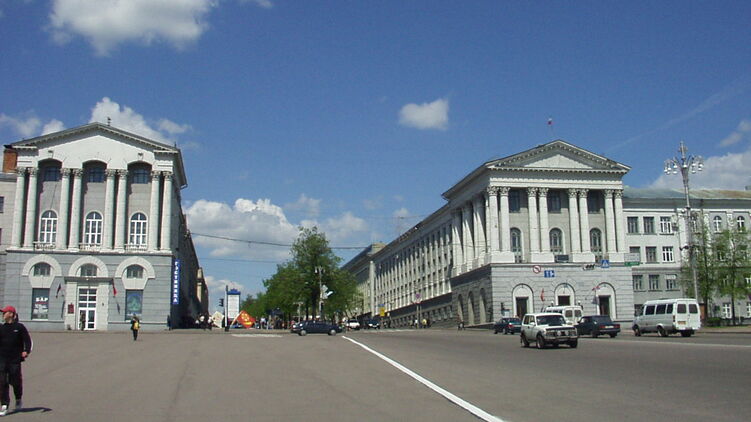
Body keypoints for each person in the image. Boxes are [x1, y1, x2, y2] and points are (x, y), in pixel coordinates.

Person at [0, 306, 32, 416]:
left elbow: (27, 340)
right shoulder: (1, 328)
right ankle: (4, 404)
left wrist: (26, 351)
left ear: (11, 314)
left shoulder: (19, 327)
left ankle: (18, 399)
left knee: (15, 381)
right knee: (2, 382)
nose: (3, 314)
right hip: (2, 359)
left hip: (15, 359)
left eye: (4, 312)